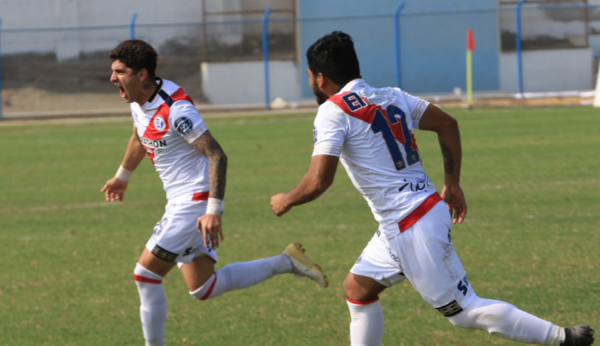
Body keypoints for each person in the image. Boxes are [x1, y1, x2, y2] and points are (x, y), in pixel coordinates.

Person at [270, 31, 595, 346]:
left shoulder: (332, 111)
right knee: (357, 290)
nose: (311, 82)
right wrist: (451, 183)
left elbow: (318, 181)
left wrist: (286, 199)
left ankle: (563, 337)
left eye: (311, 76)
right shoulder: (392, 95)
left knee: (465, 313)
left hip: (411, 225)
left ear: (321, 78)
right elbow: (447, 124)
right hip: (410, 216)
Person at [101, 39, 328, 346]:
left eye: (120, 71)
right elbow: (138, 136)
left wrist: (212, 211)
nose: (113, 78)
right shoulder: (139, 101)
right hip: (182, 204)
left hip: (194, 206)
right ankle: (288, 262)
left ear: (142, 75)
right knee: (203, 287)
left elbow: (217, 156)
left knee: (145, 276)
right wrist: (122, 177)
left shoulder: (175, 110)